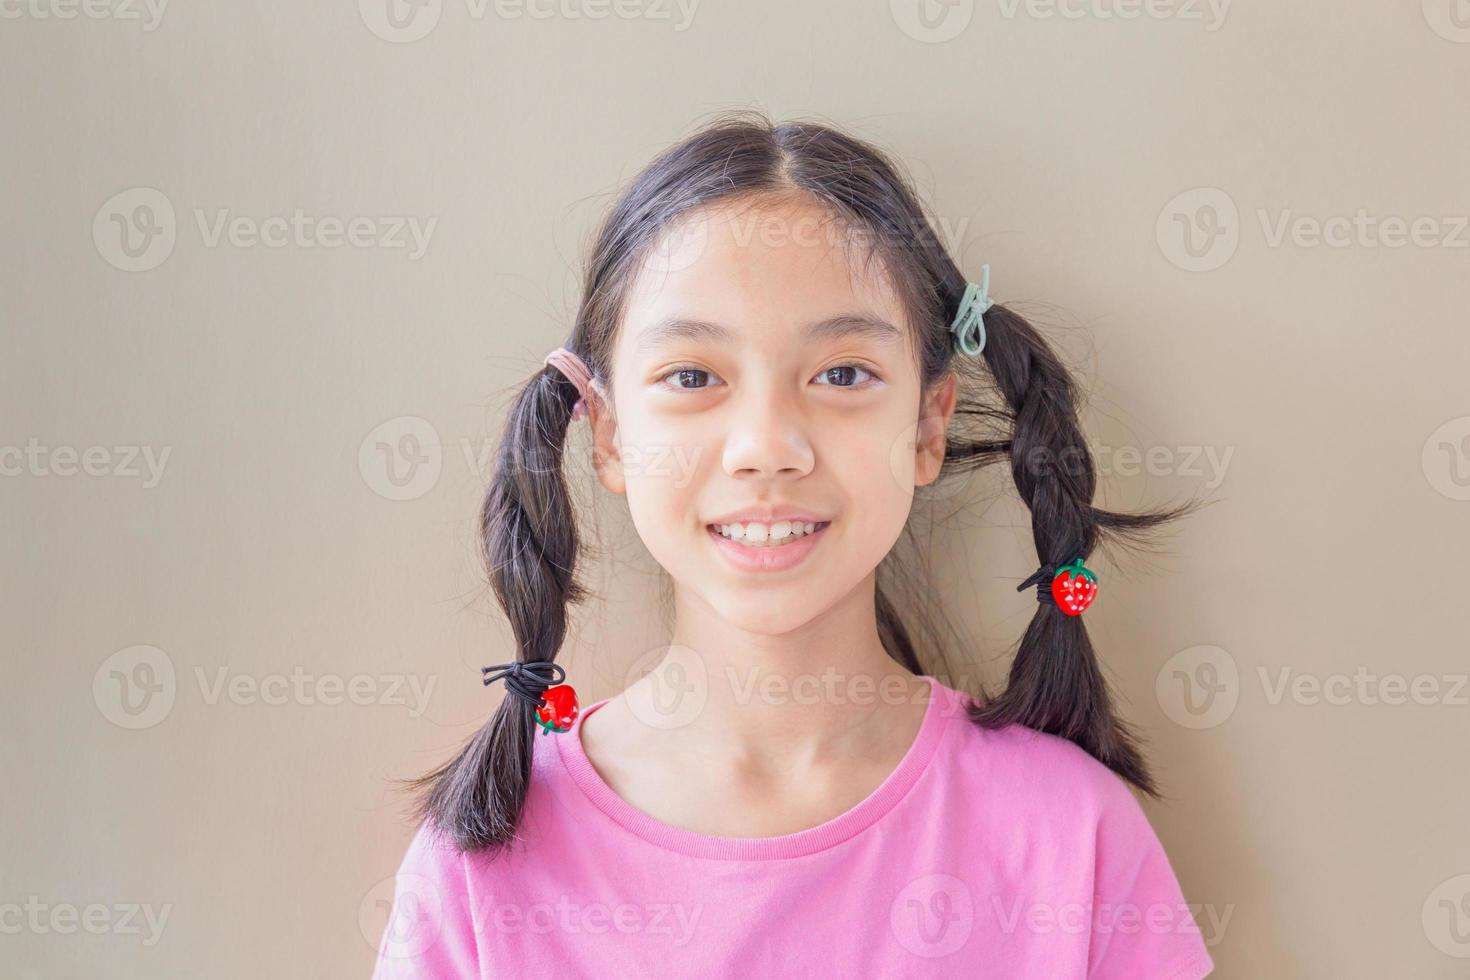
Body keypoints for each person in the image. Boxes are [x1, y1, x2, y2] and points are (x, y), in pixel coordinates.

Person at [371, 111, 1215, 978]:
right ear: (610, 437)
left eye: (842, 374)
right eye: (693, 377)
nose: (767, 445)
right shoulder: (484, 861)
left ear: (929, 423)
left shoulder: (1070, 836)